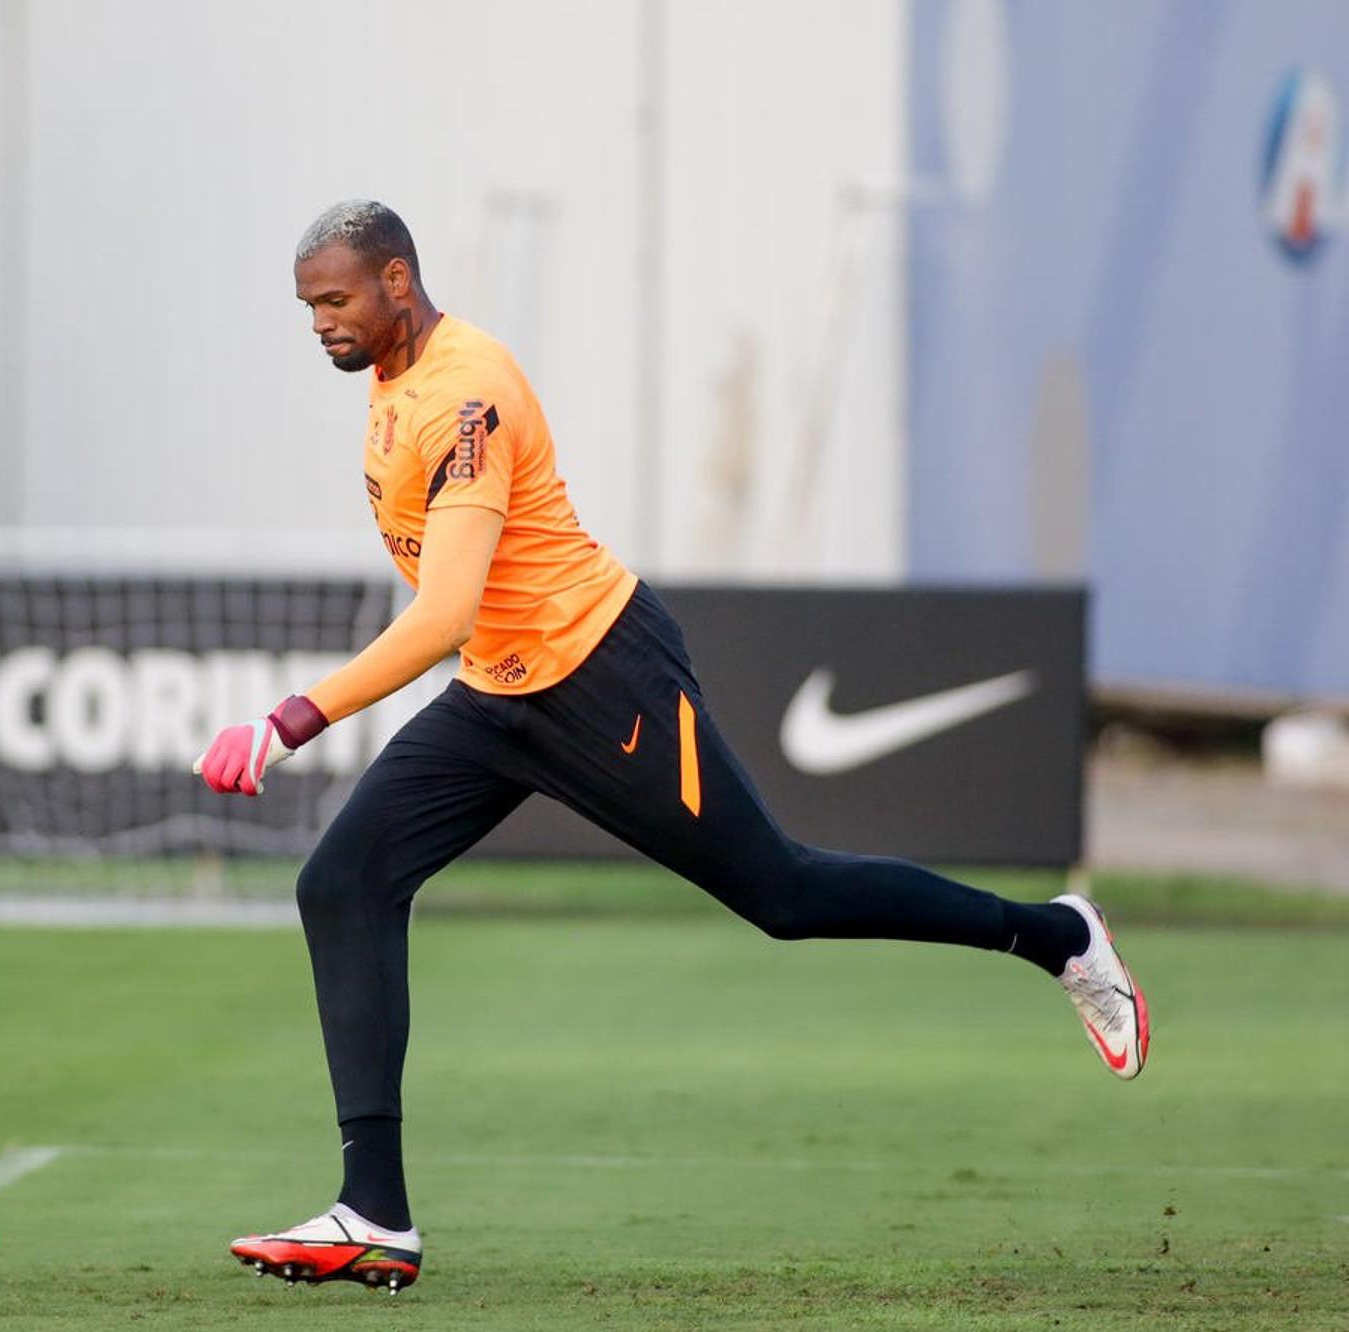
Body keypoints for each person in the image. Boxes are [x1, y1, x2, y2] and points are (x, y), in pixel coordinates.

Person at [193, 200, 1148, 1295]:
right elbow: (471, 622)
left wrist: (291, 716)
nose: (321, 321)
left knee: (785, 895)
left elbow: (446, 608)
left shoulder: (466, 393)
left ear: (398, 282)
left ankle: (1057, 938)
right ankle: (377, 1214)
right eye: (309, 305)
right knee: (344, 882)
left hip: (602, 678)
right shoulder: (389, 389)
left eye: (337, 298)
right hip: (500, 692)